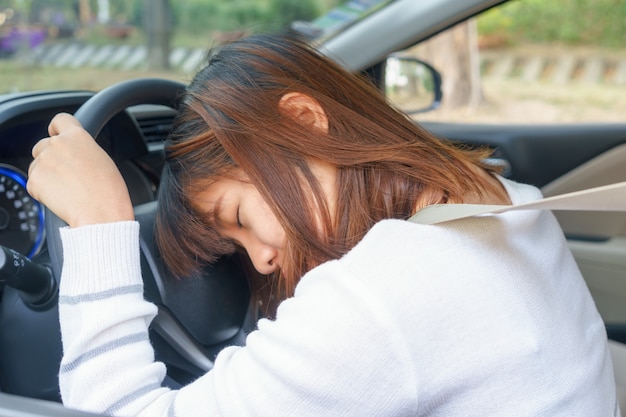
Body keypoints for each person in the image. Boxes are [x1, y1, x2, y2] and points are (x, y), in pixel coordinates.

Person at [27, 33, 618, 417]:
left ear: (307, 123)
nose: (258, 262)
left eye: (237, 216)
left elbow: (111, 408)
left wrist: (99, 224)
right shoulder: (500, 197)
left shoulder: (382, 295)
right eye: (235, 247)